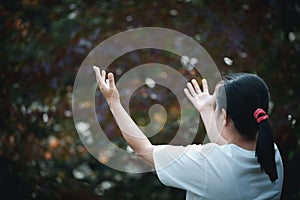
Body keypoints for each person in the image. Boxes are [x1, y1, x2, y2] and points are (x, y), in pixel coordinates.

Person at [93, 66, 283, 200]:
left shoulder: (206, 164)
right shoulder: (271, 153)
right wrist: (208, 110)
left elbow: (143, 150)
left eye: (215, 104)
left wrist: (113, 102)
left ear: (224, 117)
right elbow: (228, 150)